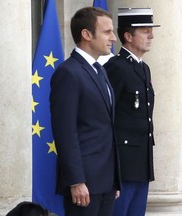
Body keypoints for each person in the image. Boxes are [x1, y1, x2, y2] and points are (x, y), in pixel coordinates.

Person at [50, 7, 121, 216]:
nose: (114, 38)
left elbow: (105, 127)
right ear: (87, 34)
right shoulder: (68, 73)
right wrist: (76, 180)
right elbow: (65, 132)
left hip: (105, 181)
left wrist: (114, 178)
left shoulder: (100, 70)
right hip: (84, 184)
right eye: (107, 32)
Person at [104, 8, 160, 216]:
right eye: (145, 31)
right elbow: (106, 115)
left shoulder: (143, 68)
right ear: (128, 36)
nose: (151, 35)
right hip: (123, 163)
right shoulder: (116, 67)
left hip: (141, 160)